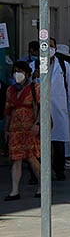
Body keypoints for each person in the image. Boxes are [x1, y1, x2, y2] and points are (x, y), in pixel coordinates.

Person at [4, 62, 41, 200]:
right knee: (16, 159)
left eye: (20, 71)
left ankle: (42, 186)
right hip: (15, 130)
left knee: (32, 158)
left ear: (27, 73)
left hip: (30, 129)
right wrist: (6, 130)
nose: (17, 74)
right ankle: (14, 190)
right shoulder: (10, 90)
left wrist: (37, 124)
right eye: (15, 71)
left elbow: (41, 107)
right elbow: (7, 111)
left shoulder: (35, 88)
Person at [48, 39, 70, 181]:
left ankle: (59, 170)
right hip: (40, 109)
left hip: (58, 108)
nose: (49, 48)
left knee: (58, 142)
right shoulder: (34, 65)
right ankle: (37, 173)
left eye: (51, 46)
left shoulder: (63, 65)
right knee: (39, 143)